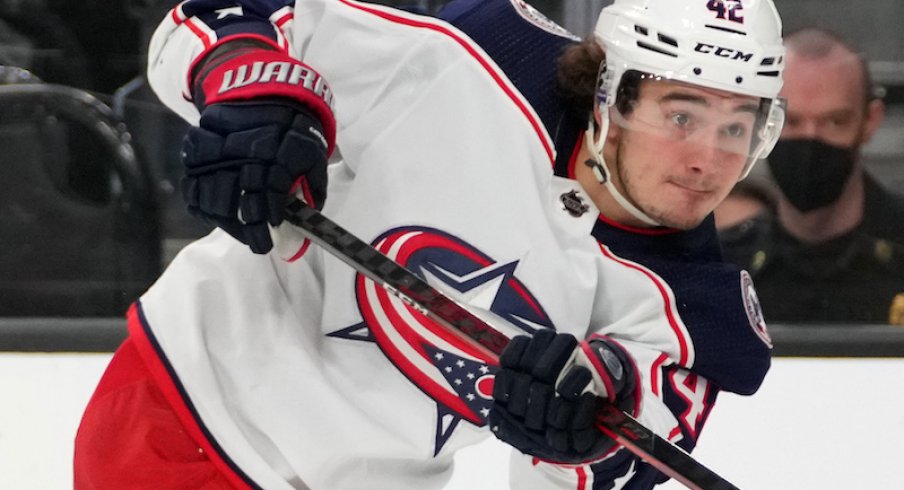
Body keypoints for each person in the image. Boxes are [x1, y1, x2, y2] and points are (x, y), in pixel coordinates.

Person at [74, 0, 783, 488]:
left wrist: (579, 432)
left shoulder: (696, 313)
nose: (708, 160)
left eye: (737, 126)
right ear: (610, 94)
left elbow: (609, 460)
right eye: (681, 114)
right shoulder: (479, 62)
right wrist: (253, 92)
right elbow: (222, 15)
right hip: (184, 408)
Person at [719, 27, 904, 324]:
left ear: (870, 121)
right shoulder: (721, 269)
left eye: (834, 122)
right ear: (762, 121)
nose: (810, 138)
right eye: (791, 122)